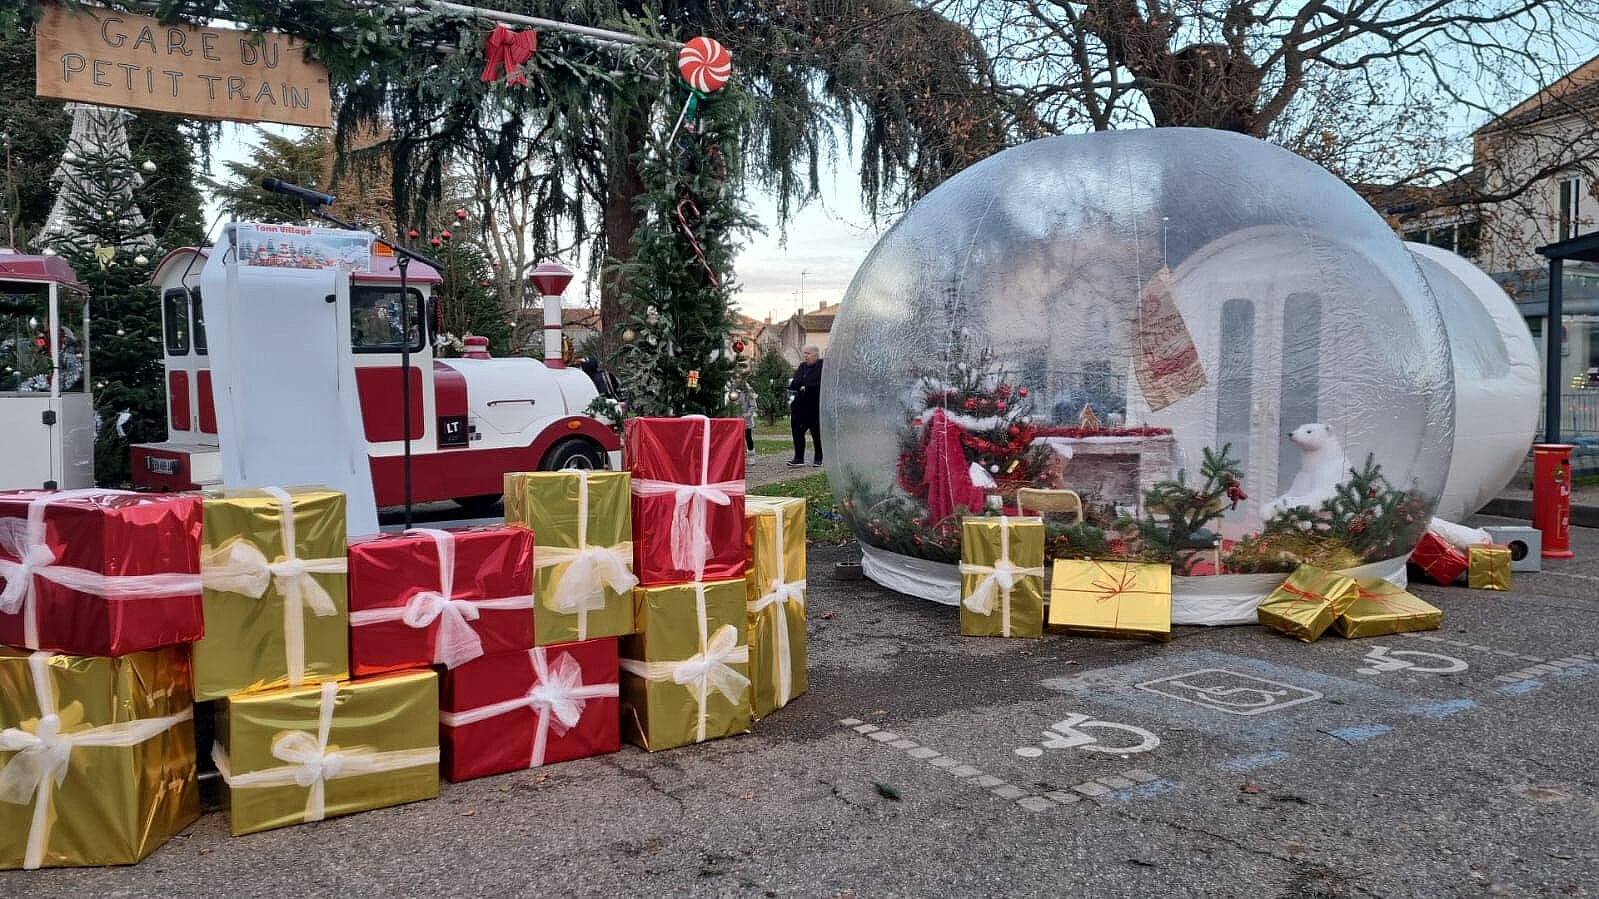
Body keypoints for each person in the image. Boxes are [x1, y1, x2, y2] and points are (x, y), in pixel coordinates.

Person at [788, 344, 823, 467]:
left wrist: (807, 387)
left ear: (815, 355)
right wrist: (801, 386)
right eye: (805, 353)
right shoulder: (802, 367)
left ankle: (818, 458)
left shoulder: (822, 367)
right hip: (799, 407)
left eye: (808, 353)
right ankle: (798, 458)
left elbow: (821, 384)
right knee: (797, 433)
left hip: (815, 407)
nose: (805, 356)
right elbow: (794, 383)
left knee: (816, 434)